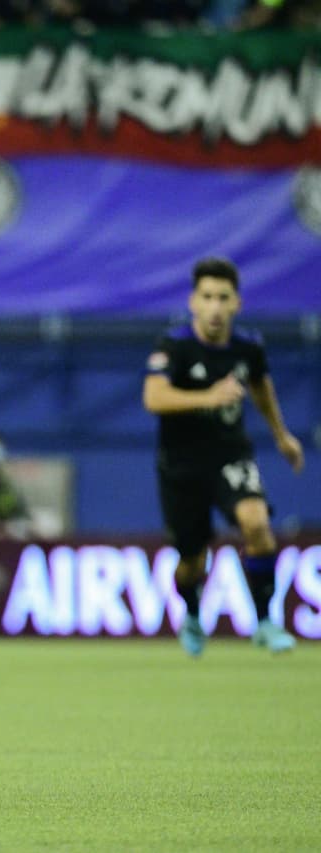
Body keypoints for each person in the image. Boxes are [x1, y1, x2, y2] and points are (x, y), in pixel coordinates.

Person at [142, 257, 306, 658]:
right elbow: (153, 397)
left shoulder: (248, 348)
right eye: (207, 297)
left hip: (230, 454)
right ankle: (194, 613)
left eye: (223, 298)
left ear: (237, 304)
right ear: (193, 302)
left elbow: (261, 388)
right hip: (181, 465)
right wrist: (209, 397)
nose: (215, 307)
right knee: (191, 563)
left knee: (257, 524)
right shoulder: (175, 345)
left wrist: (282, 436)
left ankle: (265, 622)